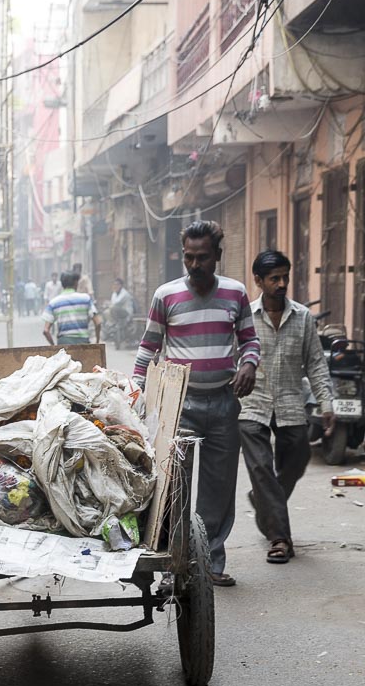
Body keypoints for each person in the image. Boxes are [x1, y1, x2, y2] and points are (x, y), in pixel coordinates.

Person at [133, 220, 261, 587]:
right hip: (180, 403)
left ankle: (210, 564)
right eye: (188, 257)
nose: (194, 264)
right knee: (174, 486)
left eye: (202, 257)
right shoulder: (166, 295)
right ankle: (174, 563)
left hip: (224, 403)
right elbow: (148, 347)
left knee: (218, 489)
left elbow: (250, 341)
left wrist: (249, 364)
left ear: (217, 256)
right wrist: (137, 393)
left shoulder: (236, 294)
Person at [239, 250, 335, 564]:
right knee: (261, 468)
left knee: (298, 457)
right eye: (274, 278)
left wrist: (326, 403)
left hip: (292, 403)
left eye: (284, 277)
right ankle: (279, 538)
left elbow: (316, 364)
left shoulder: (303, 317)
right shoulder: (245, 317)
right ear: (258, 280)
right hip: (252, 405)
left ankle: (264, 502)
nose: (281, 283)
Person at [42, 269, 101, 346]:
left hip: (63, 344)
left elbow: (46, 331)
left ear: (62, 284)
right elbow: (98, 323)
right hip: (83, 344)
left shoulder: (54, 303)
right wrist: (97, 341)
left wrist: (54, 346)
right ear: (76, 283)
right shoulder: (86, 299)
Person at [107, 277, 135, 344]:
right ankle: (111, 326)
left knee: (113, 309)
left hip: (126, 312)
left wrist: (109, 305)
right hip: (118, 312)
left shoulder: (124, 293)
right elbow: (112, 303)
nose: (115, 286)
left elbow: (116, 303)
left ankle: (114, 324)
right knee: (106, 312)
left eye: (117, 284)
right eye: (114, 284)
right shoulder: (114, 293)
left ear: (121, 285)